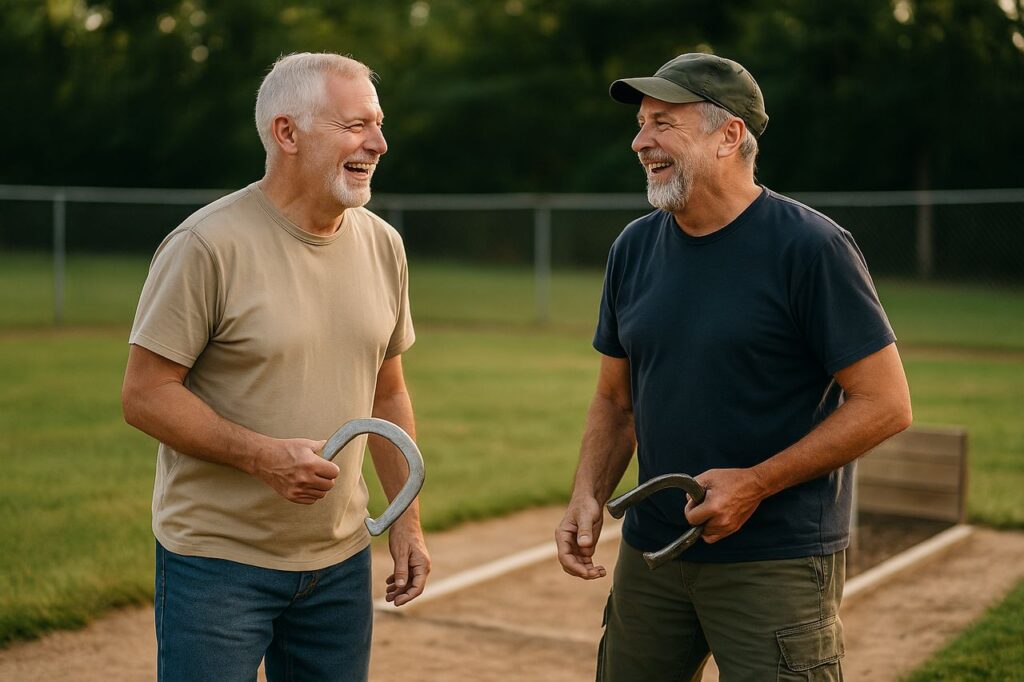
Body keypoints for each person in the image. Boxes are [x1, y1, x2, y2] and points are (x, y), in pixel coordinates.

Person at [555, 53, 912, 681]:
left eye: (664, 122)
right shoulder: (633, 248)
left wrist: (756, 483)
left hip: (775, 563)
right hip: (652, 555)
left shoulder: (811, 248)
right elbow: (616, 401)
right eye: (641, 124)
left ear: (729, 135)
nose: (641, 141)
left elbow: (885, 404)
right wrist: (587, 491)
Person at [121, 52, 430, 682]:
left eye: (377, 123)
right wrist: (262, 456)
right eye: (353, 126)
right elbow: (146, 395)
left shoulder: (382, 244)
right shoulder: (206, 245)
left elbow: (387, 392)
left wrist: (404, 522)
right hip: (217, 566)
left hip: (340, 565)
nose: (378, 142)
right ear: (286, 134)